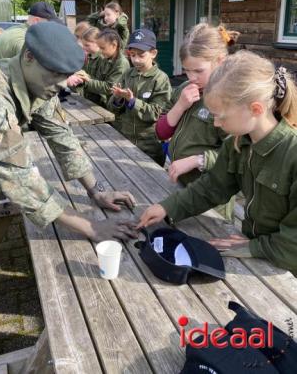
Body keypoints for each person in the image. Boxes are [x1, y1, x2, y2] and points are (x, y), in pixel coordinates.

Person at [0, 22, 138, 244]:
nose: (63, 84)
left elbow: (62, 137)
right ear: (28, 57)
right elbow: (19, 177)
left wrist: (96, 191)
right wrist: (91, 227)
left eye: (67, 75)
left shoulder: (38, 84)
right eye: (56, 73)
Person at [138, 50, 297, 275]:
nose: (216, 123)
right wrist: (168, 207)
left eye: (222, 116)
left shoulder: (292, 153)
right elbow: (212, 187)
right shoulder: (238, 143)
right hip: (258, 253)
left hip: (285, 270)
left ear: (256, 109)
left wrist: (253, 247)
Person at [155, 23, 240, 221]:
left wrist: (198, 160)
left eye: (198, 71)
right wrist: (180, 106)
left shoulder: (229, 100)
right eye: (186, 70)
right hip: (180, 184)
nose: (192, 77)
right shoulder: (185, 88)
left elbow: (237, 153)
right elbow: (160, 132)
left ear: (220, 61)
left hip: (211, 197)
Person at [108, 28, 171, 166]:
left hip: (150, 145)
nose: (136, 59)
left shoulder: (160, 79)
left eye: (141, 55)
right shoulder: (127, 74)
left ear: (153, 53)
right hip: (125, 140)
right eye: (132, 55)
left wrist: (132, 101)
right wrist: (117, 99)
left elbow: (159, 113)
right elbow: (113, 109)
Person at [0, 1, 61, 69]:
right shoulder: (22, 38)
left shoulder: (20, 29)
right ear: (36, 21)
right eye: (49, 24)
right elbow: (34, 68)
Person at [72, 29, 130, 108]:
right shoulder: (106, 59)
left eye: (102, 48)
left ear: (114, 45)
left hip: (113, 108)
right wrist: (84, 76)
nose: (100, 51)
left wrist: (87, 80)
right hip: (103, 104)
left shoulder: (121, 64)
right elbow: (99, 80)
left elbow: (109, 88)